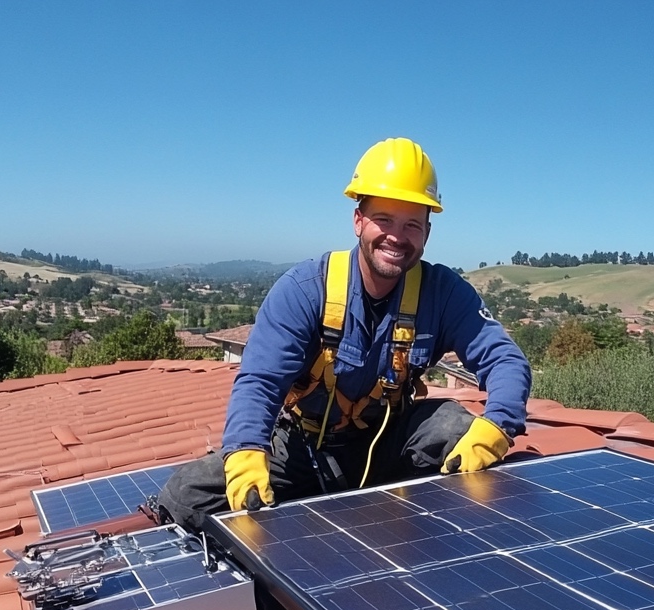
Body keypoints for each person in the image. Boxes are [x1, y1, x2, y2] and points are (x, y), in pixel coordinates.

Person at [158, 137, 531, 532]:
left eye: (412, 225)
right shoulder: (305, 288)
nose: (396, 236)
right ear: (358, 220)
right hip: (303, 447)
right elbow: (261, 381)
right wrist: (247, 450)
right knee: (189, 494)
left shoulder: (444, 292)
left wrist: (499, 425)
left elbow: (505, 359)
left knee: (455, 429)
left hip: (389, 442)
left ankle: (436, 543)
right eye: (383, 219)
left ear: (427, 232)